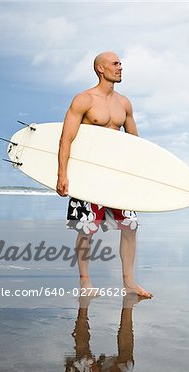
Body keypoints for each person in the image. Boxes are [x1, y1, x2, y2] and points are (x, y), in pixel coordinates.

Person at [56, 51, 152, 298]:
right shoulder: (84, 100)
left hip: (115, 175)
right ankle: (85, 281)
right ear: (101, 69)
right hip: (88, 174)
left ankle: (129, 282)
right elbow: (66, 139)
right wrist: (62, 174)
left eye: (120, 63)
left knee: (130, 225)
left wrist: (142, 175)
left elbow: (135, 143)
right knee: (86, 228)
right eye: (115, 64)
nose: (120, 67)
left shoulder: (124, 103)